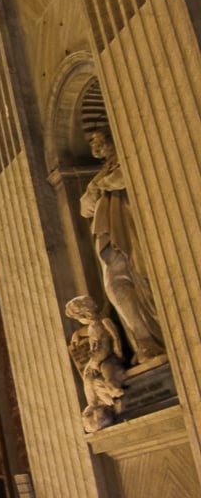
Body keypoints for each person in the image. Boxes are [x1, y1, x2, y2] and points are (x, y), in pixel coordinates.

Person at [79, 127, 164, 363]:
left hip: (130, 228)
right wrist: (100, 186)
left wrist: (101, 185)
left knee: (143, 277)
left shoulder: (127, 158)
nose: (94, 145)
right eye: (92, 141)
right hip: (109, 234)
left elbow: (127, 176)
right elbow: (84, 205)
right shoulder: (103, 172)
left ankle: (158, 337)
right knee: (115, 286)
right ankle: (143, 342)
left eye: (98, 139)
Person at [65, 295, 126, 432]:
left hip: (107, 358)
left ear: (86, 314)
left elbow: (108, 344)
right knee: (89, 378)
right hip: (98, 360)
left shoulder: (102, 324)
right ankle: (93, 404)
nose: (80, 321)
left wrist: (96, 361)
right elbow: (90, 331)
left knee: (103, 373)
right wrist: (78, 334)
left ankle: (112, 388)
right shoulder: (93, 326)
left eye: (79, 318)